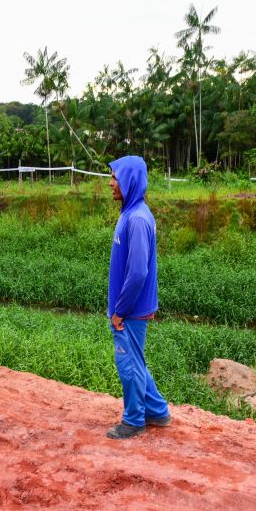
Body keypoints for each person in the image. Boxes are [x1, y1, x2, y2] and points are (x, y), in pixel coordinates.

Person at [105, 155, 171, 439]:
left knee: (128, 364)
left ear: (129, 180)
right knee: (136, 360)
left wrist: (120, 310)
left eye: (115, 178)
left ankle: (134, 420)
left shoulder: (138, 219)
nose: (110, 184)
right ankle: (157, 411)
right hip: (132, 307)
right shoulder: (131, 213)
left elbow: (138, 272)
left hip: (129, 311)